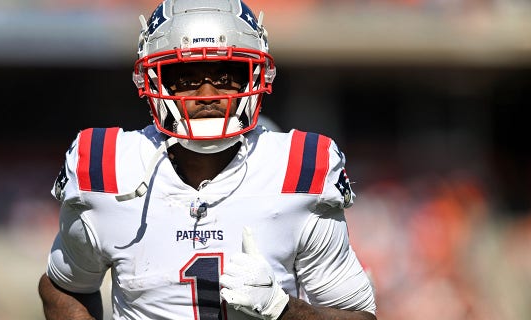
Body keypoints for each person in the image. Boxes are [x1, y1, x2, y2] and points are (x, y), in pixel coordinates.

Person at [38, 0, 377, 319]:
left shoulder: (301, 168)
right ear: (153, 81)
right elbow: (64, 287)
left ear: (257, 77)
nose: (207, 96)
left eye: (226, 76)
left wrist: (282, 308)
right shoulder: (105, 165)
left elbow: (357, 315)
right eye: (186, 78)